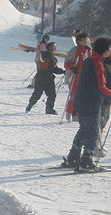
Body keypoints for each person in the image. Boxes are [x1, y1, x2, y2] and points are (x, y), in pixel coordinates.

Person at [62, 38, 111, 170]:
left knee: (84, 129)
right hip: (90, 102)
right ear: (104, 49)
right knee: (93, 132)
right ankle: (86, 161)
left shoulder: (91, 59)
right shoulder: (97, 63)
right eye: (109, 48)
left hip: (83, 100)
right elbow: (101, 87)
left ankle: (73, 157)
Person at [26, 42, 65, 115]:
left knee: (52, 95)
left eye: (54, 47)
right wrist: (46, 52)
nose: (54, 48)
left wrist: (63, 71)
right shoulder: (44, 54)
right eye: (52, 47)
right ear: (49, 48)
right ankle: (30, 105)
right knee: (37, 94)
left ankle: (49, 109)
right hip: (41, 77)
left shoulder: (54, 58)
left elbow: (54, 69)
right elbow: (43, 58)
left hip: (49, 78)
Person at [64, 32, 91, 122]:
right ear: (79, 41)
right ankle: (69, 112)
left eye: (87, 39)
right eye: (83, 39)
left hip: (87, 77)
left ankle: (78, 114)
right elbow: (66, 63)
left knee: (85, 96)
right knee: (74, 95)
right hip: (75, 76)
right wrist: (72, 68)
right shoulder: (75, 50)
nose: (86, 40)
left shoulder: (89, 50)